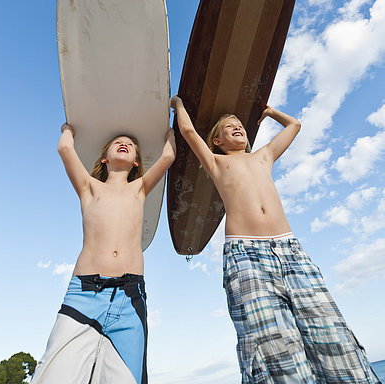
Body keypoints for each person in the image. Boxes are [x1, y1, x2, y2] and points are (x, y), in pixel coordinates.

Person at [170, 95, 380, 384]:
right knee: (272, 345)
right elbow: (189, 132)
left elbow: (294, 125)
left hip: (291, 251)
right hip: (245, 255)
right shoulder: (215, 162)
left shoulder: (264, 155)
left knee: (330, 332)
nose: (237, 127)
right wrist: (178, 104)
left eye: (240, 124)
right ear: (216, 141)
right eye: (228, 126)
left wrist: (269, 112)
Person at [32, 124, 176, 384]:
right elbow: (64, 147)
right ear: (104, 157)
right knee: (54, 375)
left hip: (129, 297)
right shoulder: (89, 187)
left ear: (135, 163)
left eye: (131, 146)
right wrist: (70, 126)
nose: (125, 144)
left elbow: (168, 156)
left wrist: (170, 126)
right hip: (83, 293)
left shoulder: (140, 188)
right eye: (118, 142)